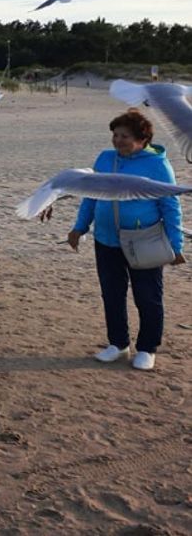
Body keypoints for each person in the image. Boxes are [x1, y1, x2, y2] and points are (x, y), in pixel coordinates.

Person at [67, 109, 185, 371]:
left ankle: (147, 348)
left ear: (143, 140)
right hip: (106, 240)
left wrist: (176, 246)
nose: (118, 141)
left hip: (144, 240)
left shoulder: (157, 164)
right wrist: (80, 227)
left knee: (148, 297)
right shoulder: (105, 159)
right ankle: (118, 345)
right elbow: (91, 195)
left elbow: (170, 205)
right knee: (112, 294)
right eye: (115, 135)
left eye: (125, 136)